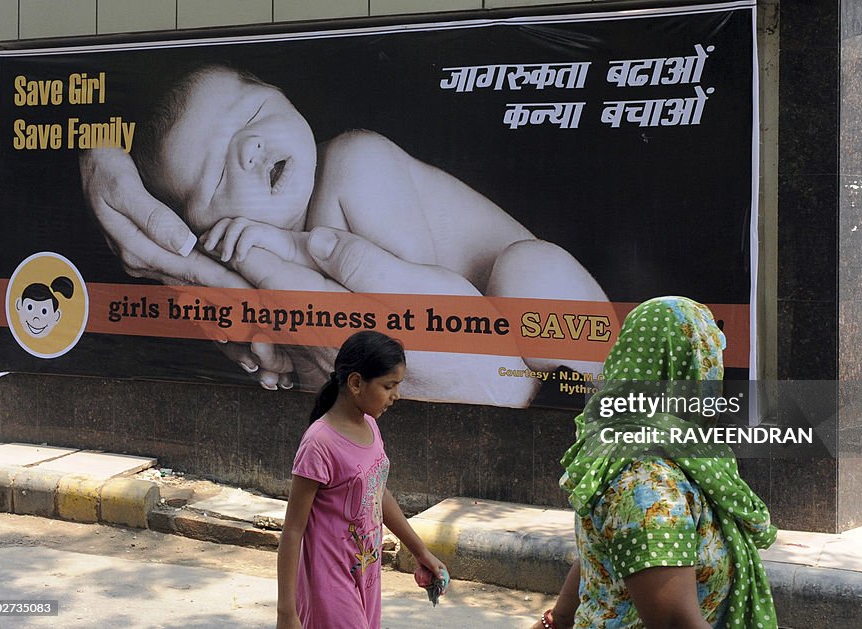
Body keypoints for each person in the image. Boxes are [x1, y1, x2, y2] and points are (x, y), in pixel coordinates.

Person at [130, 63, 608, 377]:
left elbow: (420, 300)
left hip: (544, 325)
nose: (249, 147)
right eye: (216, 175)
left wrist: (294, 248)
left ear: (282, 95)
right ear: (198, 231)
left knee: (531, 267)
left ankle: (621, 401)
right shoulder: (250, 262)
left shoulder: (356, 162)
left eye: (253, 113)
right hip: (502, 367)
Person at [535, 297, 777, 629]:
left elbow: (613, 553)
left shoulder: (634, 447)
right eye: (709, 357)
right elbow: (676, 620)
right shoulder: (649, 483)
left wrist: (558, 620)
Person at [276, 330, 447, 629]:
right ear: (356, 383)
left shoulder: (370, 426)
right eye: (389, 386)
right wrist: (286, 613)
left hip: (366, 574)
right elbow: (292, 531)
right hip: (328, 582)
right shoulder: (319, 442)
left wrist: (421, 552)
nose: (396, 396)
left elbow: (377, 493)